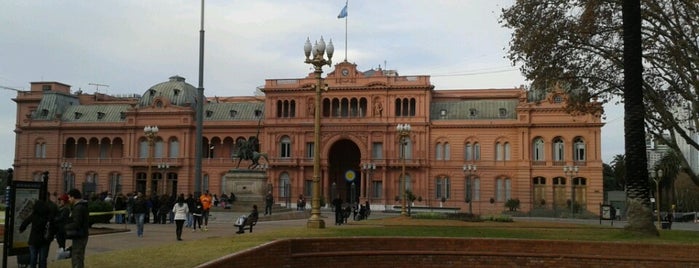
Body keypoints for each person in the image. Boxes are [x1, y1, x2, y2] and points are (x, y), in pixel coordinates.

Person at [19, 198, 56, 268]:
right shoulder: (48, 217)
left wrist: (21, 229)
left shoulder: (34, 215)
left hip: (33, 240)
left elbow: (25, 223)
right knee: (42, 259)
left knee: (33, 258)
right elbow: (53, 227)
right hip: (44, 241)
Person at [63, 188, 89, 268]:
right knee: (79, 256)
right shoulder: (83, 206)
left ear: (73, 197)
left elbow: (76, 223)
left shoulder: (78, 208)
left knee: (77, 256)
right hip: (82, 234)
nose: (69, 200)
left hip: (79, 235)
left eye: (69, 197)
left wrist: (65, 227)